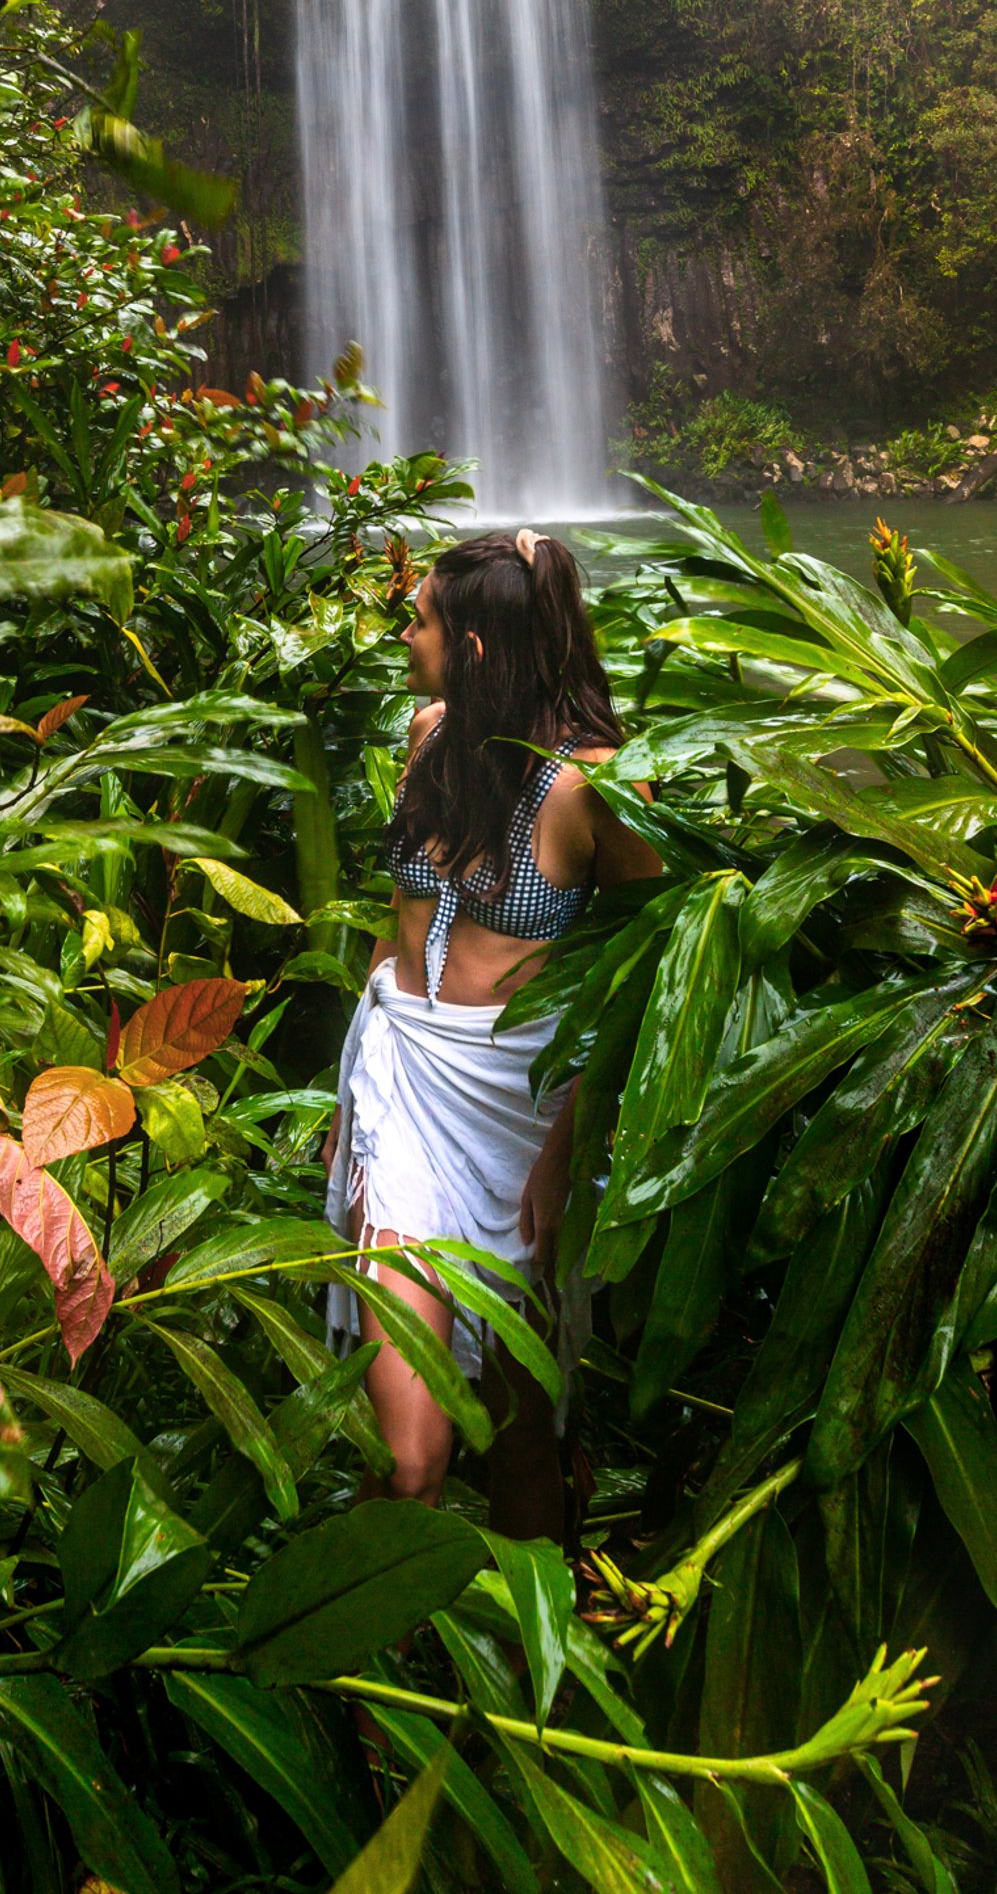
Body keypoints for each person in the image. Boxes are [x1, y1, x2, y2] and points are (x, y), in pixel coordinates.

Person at [323, 528, 661, 1538]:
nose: (405, 633)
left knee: (523, 1433)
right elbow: (400, 930)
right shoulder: (430, 735)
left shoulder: (590, 788)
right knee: (410, 1454)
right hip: (407, 1085)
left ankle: (528, 1675)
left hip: (522, 1107)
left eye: (420, 618)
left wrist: (566, 1159)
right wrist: (354, 1107)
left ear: (473, 646)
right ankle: (356, 1672)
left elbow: (641, 978)